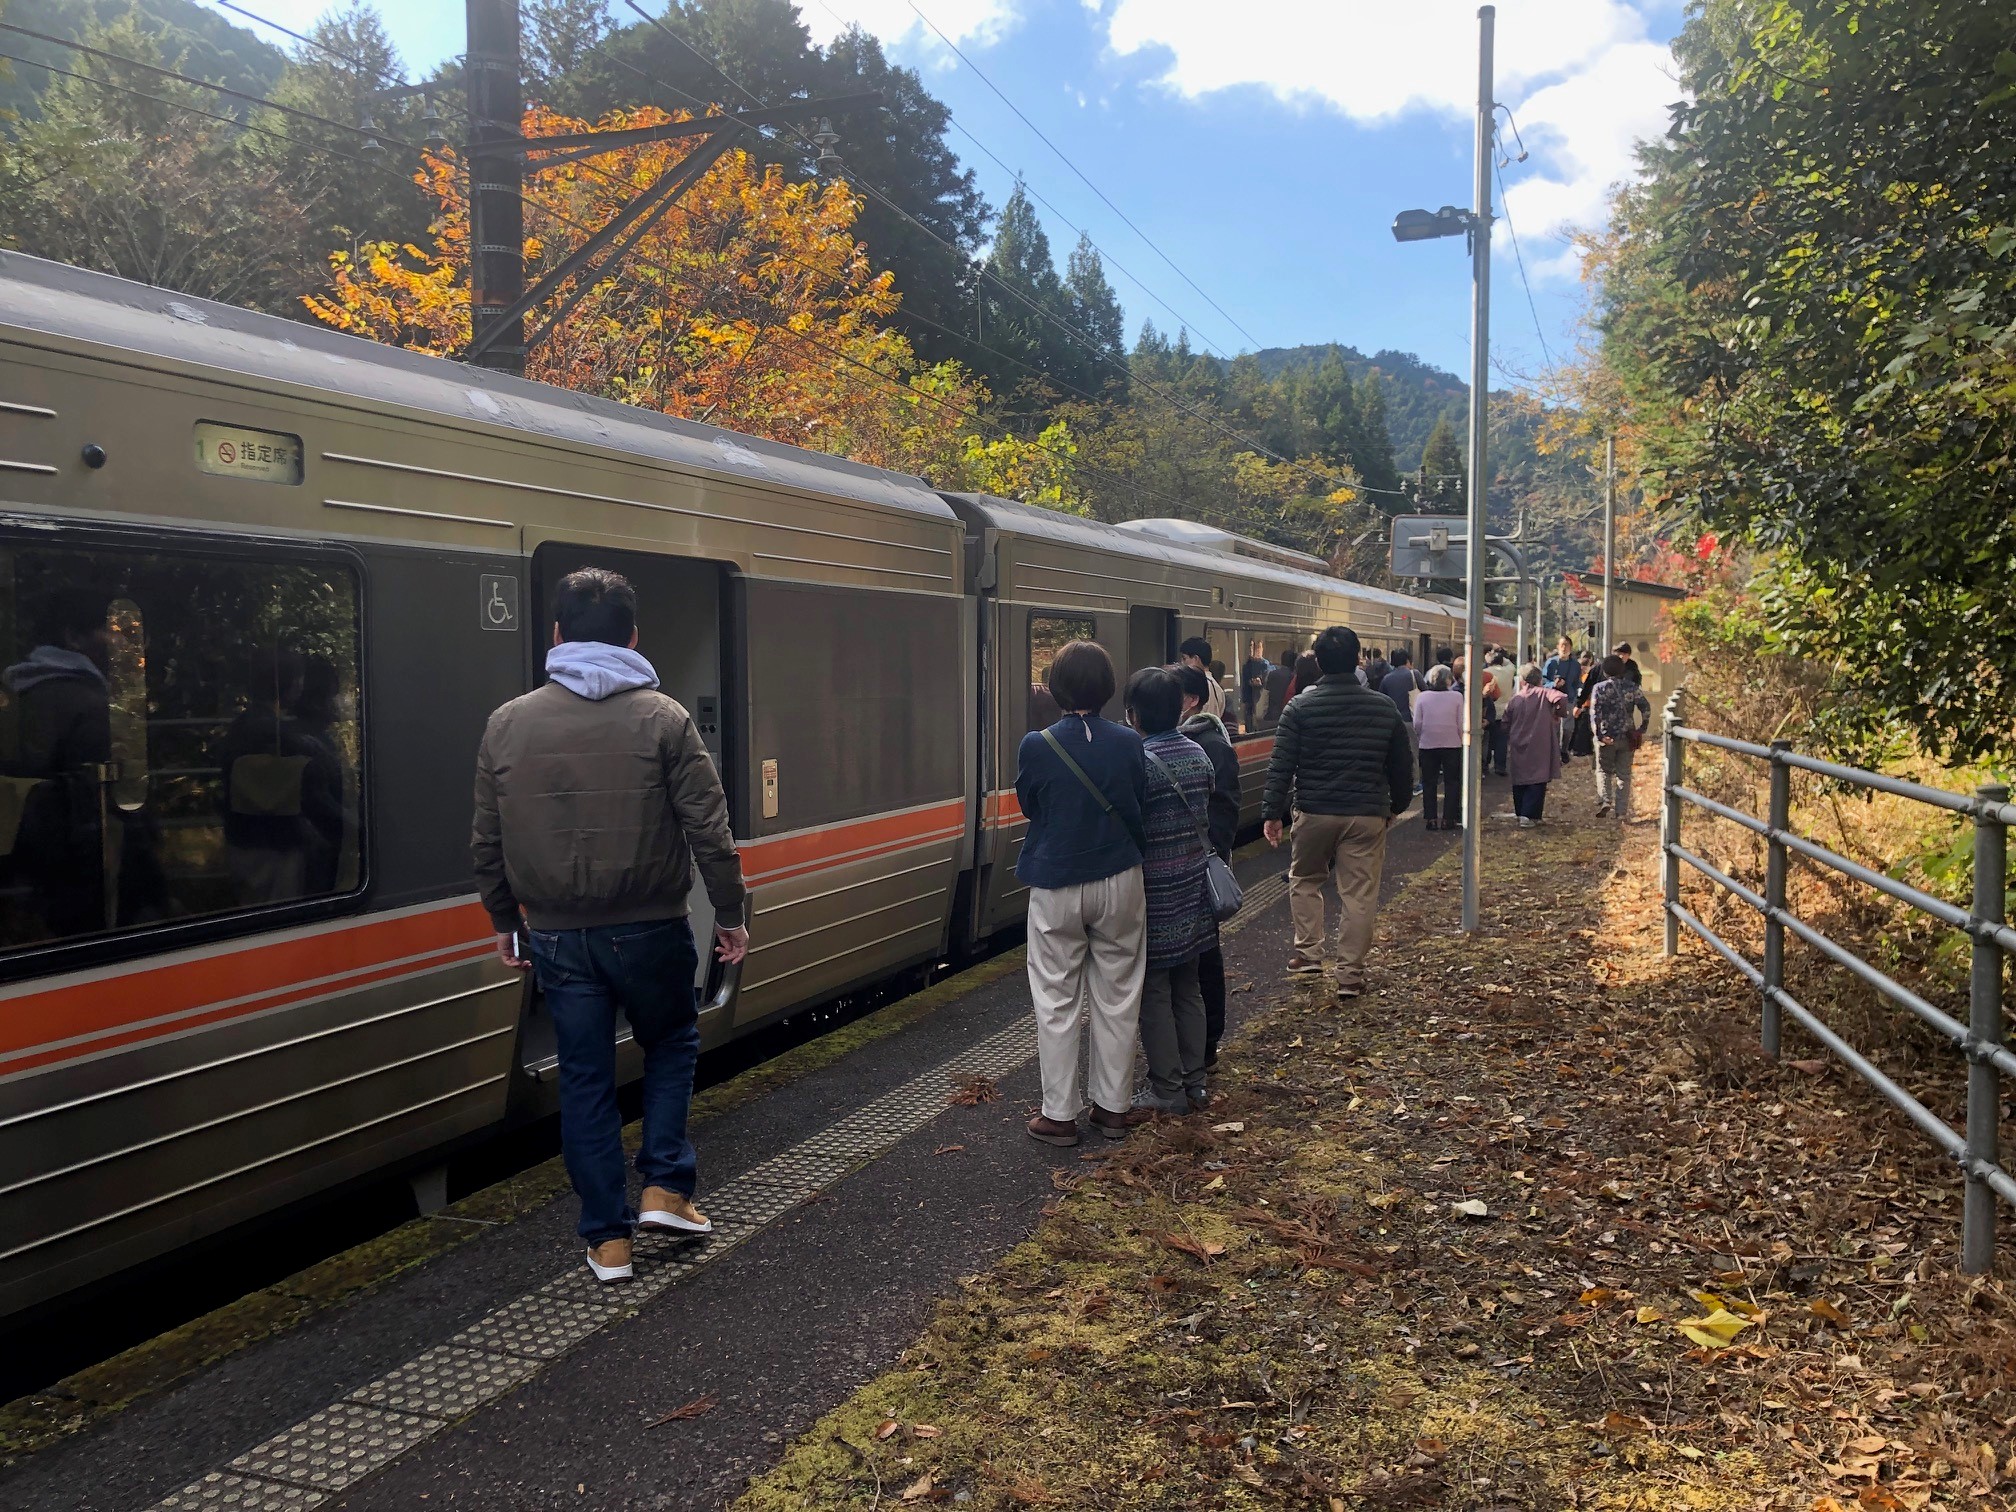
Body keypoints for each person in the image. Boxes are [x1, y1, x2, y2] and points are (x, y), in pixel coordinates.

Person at [473, 568, 748, 1285]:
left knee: (586, 1077)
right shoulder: (664, 719)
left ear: (557, 635)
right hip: (651, 925)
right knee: (671, 1044)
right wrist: (730, 911)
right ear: (633, 636)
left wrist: (505, 920)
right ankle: (665, 1188)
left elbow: (486, 840)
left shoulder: (508, 723)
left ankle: (608, 1241)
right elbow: (710, 830)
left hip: (559, 936)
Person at [1012, 640, 1149, 1147]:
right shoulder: (1130, 742)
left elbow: (1032, 806)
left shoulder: (1037, 744)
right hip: (1120, 878)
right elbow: (1138, 801)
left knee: (1055, 996)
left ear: (1055, 687)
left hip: (1057, 881)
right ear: (1109, 688)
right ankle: (1113, 1108)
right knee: (1118, 993)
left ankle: (1058, 1114)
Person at [1262, 625, 1412, 997]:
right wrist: (1397, 805)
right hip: (1365, 813)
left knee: (1305, 878)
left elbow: (1281, 764)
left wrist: (1271, 813)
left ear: (1319, 663)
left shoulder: (1299, 707)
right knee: (1358, 893)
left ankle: (1309, 953)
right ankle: (1349, 975)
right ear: (1358, 659)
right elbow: (1402, 765)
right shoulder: (1383, 708)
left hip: (1314, 810)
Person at [1126, 666, 1216, 1114]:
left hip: (1155, 890)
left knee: (1155, 990)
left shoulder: (1139, 762)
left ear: (1132, 715)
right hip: (1193, 884)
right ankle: (1195, 1081)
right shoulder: (1199, 754)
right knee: (1189, 986)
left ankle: (1166, 1088)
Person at [3, 587, 113, 939]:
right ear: (73, 637)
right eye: (108, 630)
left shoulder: (18, 691)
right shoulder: (88, 700)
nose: (118, 643)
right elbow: (101, 799)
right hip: (74, 858)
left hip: (23, 854)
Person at [1174, 662, 1239, 1068]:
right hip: (1189, 869)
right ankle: (1200, 1043)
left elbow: (1224, 814)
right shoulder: (1199, 740)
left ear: (1191, 700)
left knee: (1204, 957)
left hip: (1197, 872)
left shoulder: (1211, 745)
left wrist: (1202, 857)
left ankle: (1207, 1042)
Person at [1502, 665, 1570, 828]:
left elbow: (1505, 721)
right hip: (1540, 743)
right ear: (1540, 680)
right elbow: (1561, 698)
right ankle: (1530, 814)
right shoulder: (1544, 693)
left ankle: (1522, 813)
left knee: (1520, 780)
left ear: (1522, 681)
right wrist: (1558, 712)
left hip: (1518, 743)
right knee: (1538, 779)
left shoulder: (1515, 699)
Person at [1589, 653, 1653, 820]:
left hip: (1606, 736)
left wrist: (1599, 735)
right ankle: (1621, 812)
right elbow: (1645, 707)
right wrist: (1642, 728)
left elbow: (1595, 714)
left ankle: (1605, 800)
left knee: (1603, 770)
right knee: (1624, 775)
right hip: (1627, 736)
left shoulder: (1599, 688)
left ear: (1604, 671)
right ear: (1622, 670)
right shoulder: (1631, 687)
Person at [1414, 664, 1464, 830]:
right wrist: (1460, 738)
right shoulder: (1457, 697)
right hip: (1452, 744)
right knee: (1452, 782)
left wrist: (1423, 736)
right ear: (1449, 680)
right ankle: (1448, 819)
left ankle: (1431, 818)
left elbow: (1417, 723)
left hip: (1428, 744)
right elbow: (1460, 723)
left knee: (1429, 782)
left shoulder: (1422, 697)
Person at [1178, 636, 1226, 723]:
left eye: (1184, 658)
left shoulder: (1196, 685)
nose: (1182, 663)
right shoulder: (1218, 688)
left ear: (1196, 659)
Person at [1240, 639, 1270, 730]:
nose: (1255, 651)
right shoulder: (1247, 665)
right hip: (1249, 697)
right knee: (1248, 720)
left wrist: (1260, 681)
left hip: (1260, 697)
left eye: (1258, 648)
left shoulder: (1265, 664)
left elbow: (1267, 679)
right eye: (1251, 647)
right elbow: (1245, 681)